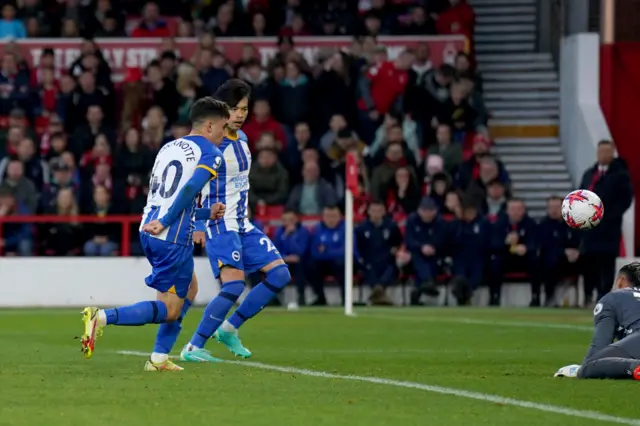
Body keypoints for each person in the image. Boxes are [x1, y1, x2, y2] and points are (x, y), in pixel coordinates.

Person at [79, 97, 229, 372]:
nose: (224, 134)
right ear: (209, 126)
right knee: (171, 309)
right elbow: (187, 191)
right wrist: (167, 221)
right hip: (170, 236)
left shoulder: (169, 148)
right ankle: (100, 317)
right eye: (223, 128)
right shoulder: (211, 154)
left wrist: (206, 214)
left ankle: (159, 358)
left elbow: (168, 195)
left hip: (151, 229)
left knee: (190, 289)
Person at [181, 79, 291, 362]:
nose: (240, 114)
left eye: (244, 108)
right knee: (233, 286)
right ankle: (193, 347)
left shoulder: (241, 140)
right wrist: (200, 224)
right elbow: (195, 188)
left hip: (243, 223)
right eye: (234, 108)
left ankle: (229, 329)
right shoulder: (209, 147)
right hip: (220, 225)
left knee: (280, 274)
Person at [554, 262, 640, 380]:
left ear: (621, 280)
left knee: (590, 365)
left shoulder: (613, 297)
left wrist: (581, 369)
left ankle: (635, 367)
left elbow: (599, 346)